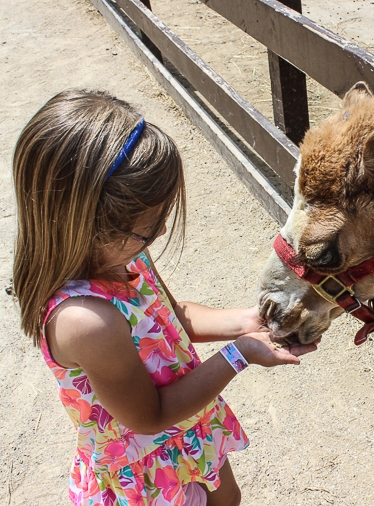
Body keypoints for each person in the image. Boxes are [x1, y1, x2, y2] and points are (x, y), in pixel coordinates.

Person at [12, 90, 319, 506]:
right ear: (91, 224)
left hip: (185, 431)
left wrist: (248, 321)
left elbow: (170, 317)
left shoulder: (124, 253)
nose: (159, 233)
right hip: (148, 471)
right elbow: (148, 416)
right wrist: (239, 355)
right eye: (150, 224)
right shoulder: (86, 322)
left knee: (228, 497)